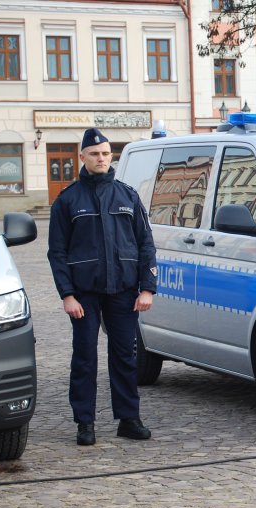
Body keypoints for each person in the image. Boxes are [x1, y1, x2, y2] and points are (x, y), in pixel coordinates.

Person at [48, 128, 157, 447]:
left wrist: (147, 288)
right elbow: (57, 252)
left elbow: (145, 243)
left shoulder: (128, 195)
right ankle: (85, 422)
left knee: (125, 356)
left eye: (106, 154)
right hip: (84, 294)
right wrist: (67, 294)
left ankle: (128, 419)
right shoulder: (67, 200)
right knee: (84, 358)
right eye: (94, 154)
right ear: (82, 157)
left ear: (112, 157)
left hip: (123, 291)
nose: (101, 158)